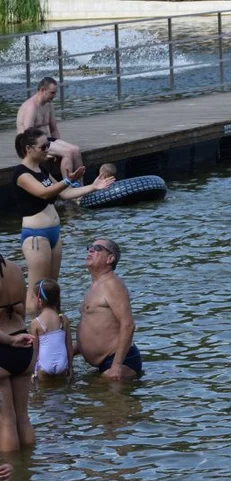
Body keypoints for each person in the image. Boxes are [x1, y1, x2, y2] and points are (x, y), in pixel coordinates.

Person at [12, 129, 114, 312]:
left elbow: (65, 194)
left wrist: (93, 186)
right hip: (37, 236)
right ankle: (32, 334)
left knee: (51, 289)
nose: (47, 150)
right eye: (43, 147)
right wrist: (67, 180)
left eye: (48, 145)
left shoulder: (41, 169)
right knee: (37, 292)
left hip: (54, 234)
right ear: (28, 148)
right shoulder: (21, 174)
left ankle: (54, 329)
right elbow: (43, 193)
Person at [77, 239, 142, 380]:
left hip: (120, 361)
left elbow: (128, 324)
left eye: (98, 248)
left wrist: (116, 367)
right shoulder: (95, 285)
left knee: (106, 395)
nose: (91, 250)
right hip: (105, 362)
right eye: (90, 247)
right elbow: (96, 328)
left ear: (110, 258)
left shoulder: (112, 284)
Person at [0, 255, 35, 452]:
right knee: (22, 416)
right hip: (24, 345)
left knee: (5, 419)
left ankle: (15, 479)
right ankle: (30, 469)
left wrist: (9, 340)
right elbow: (21, 311)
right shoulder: (14, 269)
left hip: (5, 346)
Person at [16, 78, 83, 179]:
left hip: (45, 140)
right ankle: (67, 186)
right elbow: (28, 134)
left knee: (76, 150)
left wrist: (59, 145)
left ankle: (80, 186)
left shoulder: (49, 104)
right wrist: (44, 152)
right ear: (42, 90)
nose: (54, 96)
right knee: (68, 152)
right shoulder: (31, 107)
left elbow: (54, 129)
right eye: (52, 93)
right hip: (32, 144)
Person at [29, 279, 72, 380]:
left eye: (33, 298)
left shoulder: (36, 323)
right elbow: (69, 346)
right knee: (61, 391)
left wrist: (32, 372)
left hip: (44, 366)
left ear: (39, 300)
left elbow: (35, 350)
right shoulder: (63, 319)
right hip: (62, 365)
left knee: (42, 392)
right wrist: (70, 367)